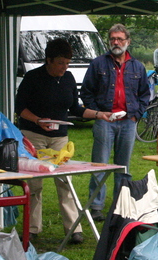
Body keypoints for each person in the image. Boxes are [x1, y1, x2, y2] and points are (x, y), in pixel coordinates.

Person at [16, 38, 103, 245]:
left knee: (65, 182)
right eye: (60, 63)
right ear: (49, 60)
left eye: (67, 63)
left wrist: (100, 114)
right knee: (34, 184)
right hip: (34, 135)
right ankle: (32, 229)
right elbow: (19, 107)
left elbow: (76, 108)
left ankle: (74, 228)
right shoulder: (32, 77)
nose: (64, 67)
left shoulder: (69, 78)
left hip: (60, 137)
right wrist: (38, 120)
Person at [80, 24, 150, 222]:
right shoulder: (98, 64)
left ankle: (121, 204)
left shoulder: (137, 66)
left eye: (120, 39)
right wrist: (98, 113)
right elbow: (86, 91)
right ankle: (96, 206)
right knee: (100, 164)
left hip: (128, 122)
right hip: (105, 121)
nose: (116, 43)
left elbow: (145, 94)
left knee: (123, 166)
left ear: (128, 41)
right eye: (112, 39)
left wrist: (136, 114)